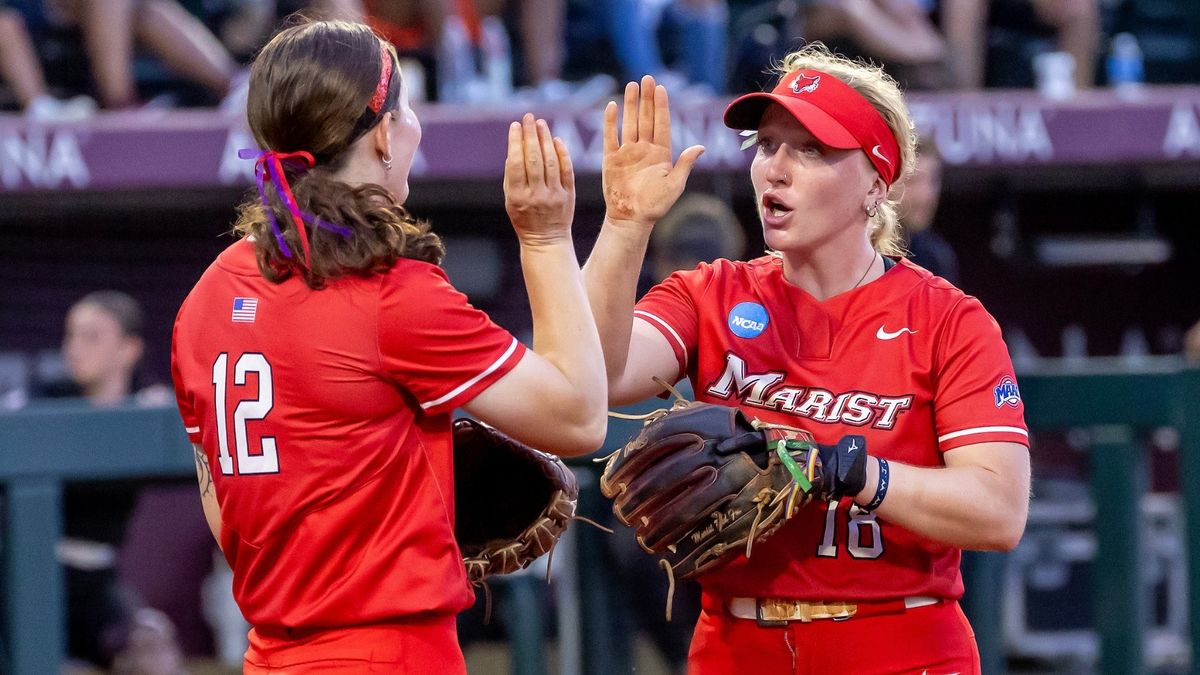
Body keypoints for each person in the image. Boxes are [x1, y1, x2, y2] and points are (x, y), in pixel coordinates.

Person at [169, 19, 606, 672]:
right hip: (388, 651)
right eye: (405, 108)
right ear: (380, 134)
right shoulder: (392, 294)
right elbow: (579, 415)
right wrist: (544, 239)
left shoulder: (211, 290)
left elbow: (222, 504)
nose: (414, 125)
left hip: (271, 653)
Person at [584, 46, 1031, 672]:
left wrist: (852, 472)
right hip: (738, 644)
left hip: (899, 642)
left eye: (811, 150)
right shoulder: (712, 293)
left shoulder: (947, 320)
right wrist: (626, 225)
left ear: (876, 182)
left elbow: (999, 511)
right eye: (766, 146)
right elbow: (596, 376)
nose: (776, 170)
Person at [897, 135, 959, 285]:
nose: (927, 195)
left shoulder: (936, 257)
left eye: (933, 181)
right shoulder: (861, 251)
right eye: (913, 181)